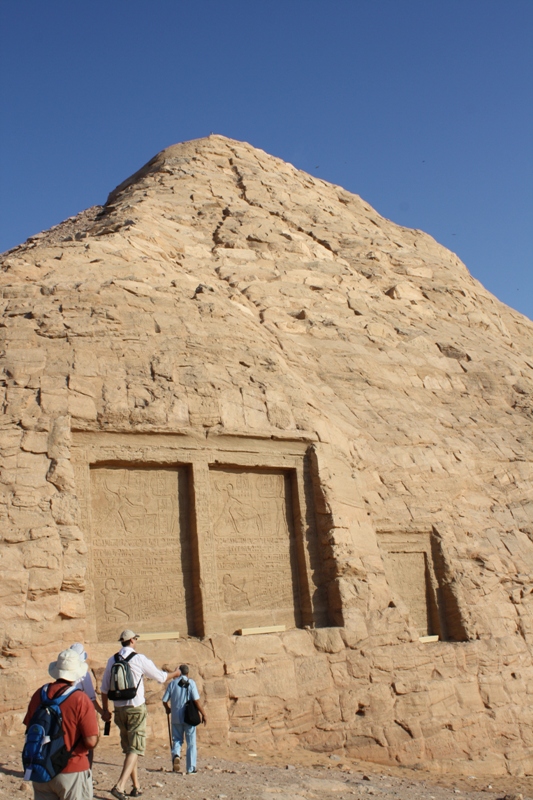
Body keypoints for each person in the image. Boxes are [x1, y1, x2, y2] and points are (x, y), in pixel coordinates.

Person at [100, 629, 181, 800]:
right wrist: (175, 673)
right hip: (135, 707)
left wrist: (105, 710)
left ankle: (136, 787)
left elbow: (104, 689)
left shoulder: (112, 660)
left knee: (130, 749)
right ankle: (120, 786)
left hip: (119, 709)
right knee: (136, 748)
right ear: (132, 641)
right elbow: (160, 676)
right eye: (135, 638)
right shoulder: (138, 658)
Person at [23, 649, 99, 800]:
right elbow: (90, 741)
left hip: (42, 770)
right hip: (72, 769)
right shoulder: (80, 699)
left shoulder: (40, 694)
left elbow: (29, 728)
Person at [162, 664, 206, 775]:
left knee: (177, 739)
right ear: (188, 673)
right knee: (191, 742)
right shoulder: (191, 683)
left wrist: (168, 709)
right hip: (189, 717)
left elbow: (164, 700)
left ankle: (176, 754)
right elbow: (196, 700)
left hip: (176, 716)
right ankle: (191, 768)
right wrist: (203, 713)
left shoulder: (172, 684)